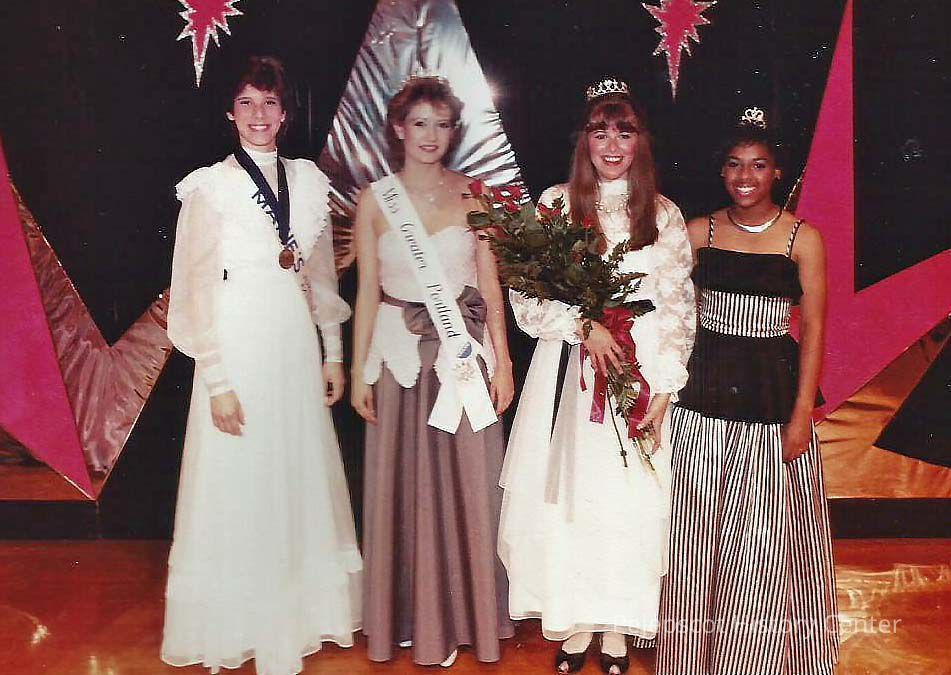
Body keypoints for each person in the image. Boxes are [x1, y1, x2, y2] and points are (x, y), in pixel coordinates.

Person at [162, 56, 361, 675]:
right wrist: (217, 381)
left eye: (269, 103)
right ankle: (241, 623)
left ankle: (296, 618)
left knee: (294, 471)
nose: (258, 115)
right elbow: (193, 292)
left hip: (292, 346)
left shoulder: (307, 181)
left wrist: (333, 352)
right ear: (230, 112)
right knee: (240, 476)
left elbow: (321, 276)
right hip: (238, 345)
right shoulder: (209, 187)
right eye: (246, 102)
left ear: (285, 113)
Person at [498, 78, 696, 674]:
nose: (612, 145)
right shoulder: (556, 204)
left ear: (641, 141)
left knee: (628, 500)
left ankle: (616, 628)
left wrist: (666, 384)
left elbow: (678, 304)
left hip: (638, 374)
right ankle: (577, 621)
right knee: (573, 498)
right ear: (583, 140)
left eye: (624, 132)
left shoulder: (663, 214)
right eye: (600, 132)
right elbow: (527, 298)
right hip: (571, 375)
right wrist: (584, 325)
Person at [656, 107, 839, 675]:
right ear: (722, 170)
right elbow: (667, 314)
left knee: (764, 542)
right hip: (701, 402)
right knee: (694, 537)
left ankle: (753, 659)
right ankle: (691, 658)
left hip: (772, 402)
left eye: (758, 165)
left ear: (777, 172)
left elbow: (814, 331)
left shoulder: (804, 239)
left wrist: (803, 413)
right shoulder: (697, 232)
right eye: (735, 164)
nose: (745, 176)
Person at [350, 75, 516, 667]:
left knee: (470, 485)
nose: (430, 136)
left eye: (442, 125)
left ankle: (472, 619)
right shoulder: (375, 200)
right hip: (399, 360)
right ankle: (409, 622)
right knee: (404, 491)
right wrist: (358, 371)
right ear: (398, 128)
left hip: (462, 359)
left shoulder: (474, 197)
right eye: (419, 123)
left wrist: (503, 362)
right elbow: (366, 292)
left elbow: (491, 287)